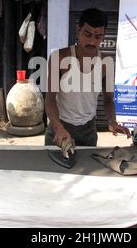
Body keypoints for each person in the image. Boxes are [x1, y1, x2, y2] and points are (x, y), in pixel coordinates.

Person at [45, 8, 131, 157]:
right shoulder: (59, 57)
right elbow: (50, 98)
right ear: (78, 30)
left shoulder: (106, 63)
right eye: (87, 34)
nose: (92, 41)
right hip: (59, 127)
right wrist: (58, 127)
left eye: (98, 36)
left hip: (88, 131)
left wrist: (112, 121)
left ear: (103, 36)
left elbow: (109, 99)